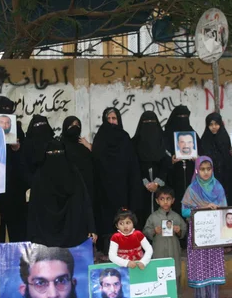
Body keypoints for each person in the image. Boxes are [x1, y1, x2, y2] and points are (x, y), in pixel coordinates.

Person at [26, 140, 97, 248]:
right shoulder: (40, 177)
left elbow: (85, 201)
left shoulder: (73, 174)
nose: (56, 156)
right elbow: (33, 209)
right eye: (51, 153)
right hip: (45, 240)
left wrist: (91, 227)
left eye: (59, 152)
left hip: (73, 236)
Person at [92, 108, 141, 256]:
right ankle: (107, 249)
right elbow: (95, 161)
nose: (112, 122)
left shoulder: (125, 137)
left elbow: (132, 163)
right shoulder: (100, 138)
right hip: (103, 188)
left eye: (115, 119)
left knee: (122, 217)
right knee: (106, 219)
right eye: (109, 119)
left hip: (122, 187)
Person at [182, 156, 226, 298]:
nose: (206, 172)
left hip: (214, 234)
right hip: (198, 234)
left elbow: (225, 208)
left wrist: (217, 208)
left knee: (213, 266)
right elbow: (184, 211)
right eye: (202, 169)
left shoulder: (218, 188)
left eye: (209, 169)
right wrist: (202, 207)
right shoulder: (192, 189)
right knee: (200, 267)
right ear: (197, 170)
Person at [12, 246, 90, 298]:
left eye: (61, 281)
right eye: (40, 283)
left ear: (73, 284)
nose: (53, 295)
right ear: (23, 290)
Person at [0, 96, 26, 243]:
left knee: (17, 229)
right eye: (2, 109)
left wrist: (17, 148)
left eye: (9, 110)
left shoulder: (16, 128)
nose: (6, 113)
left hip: (13, 187)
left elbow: (24, 157)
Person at [143, 186, 187, 298]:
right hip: (159, 250)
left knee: (175, 273)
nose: (165, 202)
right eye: (162, 199)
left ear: (173, 200)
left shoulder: (176, 217)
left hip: (174, 249)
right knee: (159, 273)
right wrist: (153, 231)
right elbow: (145, 231)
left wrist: (179, 230)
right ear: (157, 201)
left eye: (168, 199)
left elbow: (184, 230)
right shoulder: (153, 217)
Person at [132, 111, 171, 228]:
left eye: (152, 123)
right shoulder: (134, 143)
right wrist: (145, 182)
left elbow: (167, 162)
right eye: (146, 123)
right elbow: (133, 163)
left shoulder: (164, 140)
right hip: (140, 187)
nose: (149, 126)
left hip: (162, 186)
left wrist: (157, 182)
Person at [164, 105, 200, 217]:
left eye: (185, 116)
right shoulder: (166, 135)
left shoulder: (193, 134)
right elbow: (162, 154)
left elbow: (203, 155)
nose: (182, 119)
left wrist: (197, 159)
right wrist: (170, 160)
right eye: (180, 116)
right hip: (174, 175)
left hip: (190, 174)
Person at [200, 112, 232, 205]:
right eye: (211, 124)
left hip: (227, 178)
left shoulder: (227, 139)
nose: (214, 127)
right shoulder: (204, 141)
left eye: (216, 124)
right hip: (211, 180)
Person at [61, 116, 94, 203]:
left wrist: (89, 147)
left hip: (86, 191)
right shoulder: (60, 146)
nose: (75, 127)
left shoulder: (83, 146)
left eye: (77, 125)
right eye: (71, 125)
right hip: (68, 192)